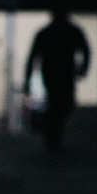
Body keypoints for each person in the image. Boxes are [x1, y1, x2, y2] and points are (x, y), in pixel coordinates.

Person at [24, 9, 91, 152]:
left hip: (58, 73)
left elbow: (33, 57)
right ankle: (53, 136)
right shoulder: (68, 32)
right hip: (59, 74)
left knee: (61, 104)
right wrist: (83, 68)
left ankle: (54, 135)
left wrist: (27, 79)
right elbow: (85, 50)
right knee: (58, 104)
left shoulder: (49, 33)